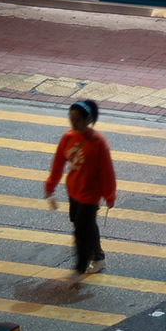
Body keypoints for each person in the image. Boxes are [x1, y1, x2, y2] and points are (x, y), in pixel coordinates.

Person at [43, 99, 116, 275]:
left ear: (87, 120)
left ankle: (79, 268)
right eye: (71, 117)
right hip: (74, 190)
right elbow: (58, 163)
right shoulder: (68, 137)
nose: (73, 122)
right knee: (83, 224)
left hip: (91, 194)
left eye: (77, 119)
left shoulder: (98, 142)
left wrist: (109, 195)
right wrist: (50, 186)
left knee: (81, 230)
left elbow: (107, 171)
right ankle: (98, 257)